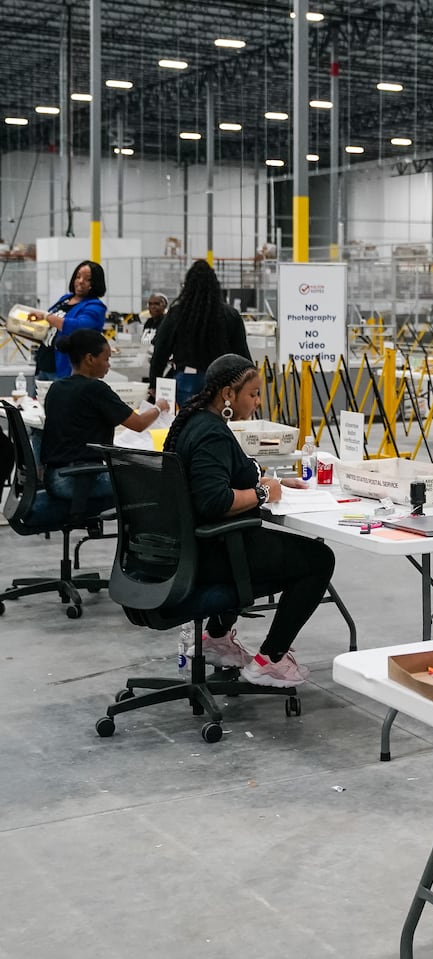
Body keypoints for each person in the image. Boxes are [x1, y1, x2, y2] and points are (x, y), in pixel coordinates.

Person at [163, 354, 335, 687]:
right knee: (318, 560)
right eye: (253, 394)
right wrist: (261, 495)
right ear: (228, 394)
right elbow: (215, 500)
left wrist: (278, 480)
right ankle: (271, 659)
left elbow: (232, 473)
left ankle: (216, 639)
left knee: (279, 551)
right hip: (214, 551)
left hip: (194, 545)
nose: (258, 402)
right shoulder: (211, 434)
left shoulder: (197, 421)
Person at [40, 330, 168, 509]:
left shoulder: (56, 388)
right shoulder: (95, 389)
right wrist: (159, 406)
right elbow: (138, 424)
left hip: (56, 476)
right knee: (159, 480)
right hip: (77, 480)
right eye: (106, 359)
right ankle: (143, 534)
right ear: (90, 359)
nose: (108, 365)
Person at [149, 260, 250, 406]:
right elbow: (241, 353)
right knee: (218, 423)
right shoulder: (230, 315)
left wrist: (154, 382)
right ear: (216, 286)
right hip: (222, 381)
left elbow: (160, 350)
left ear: (187, 286)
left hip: (187, 379)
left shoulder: (177, 314)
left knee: (186, 424)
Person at [30, 259, 108, 382]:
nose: (80, 281)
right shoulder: (65, 299)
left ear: (95, 283)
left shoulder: (95, 307)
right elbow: (52, 324)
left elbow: (78, 327)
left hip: (64, 368)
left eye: (87, 279)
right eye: (78, 277)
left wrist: (46, 316)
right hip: (44, 364)